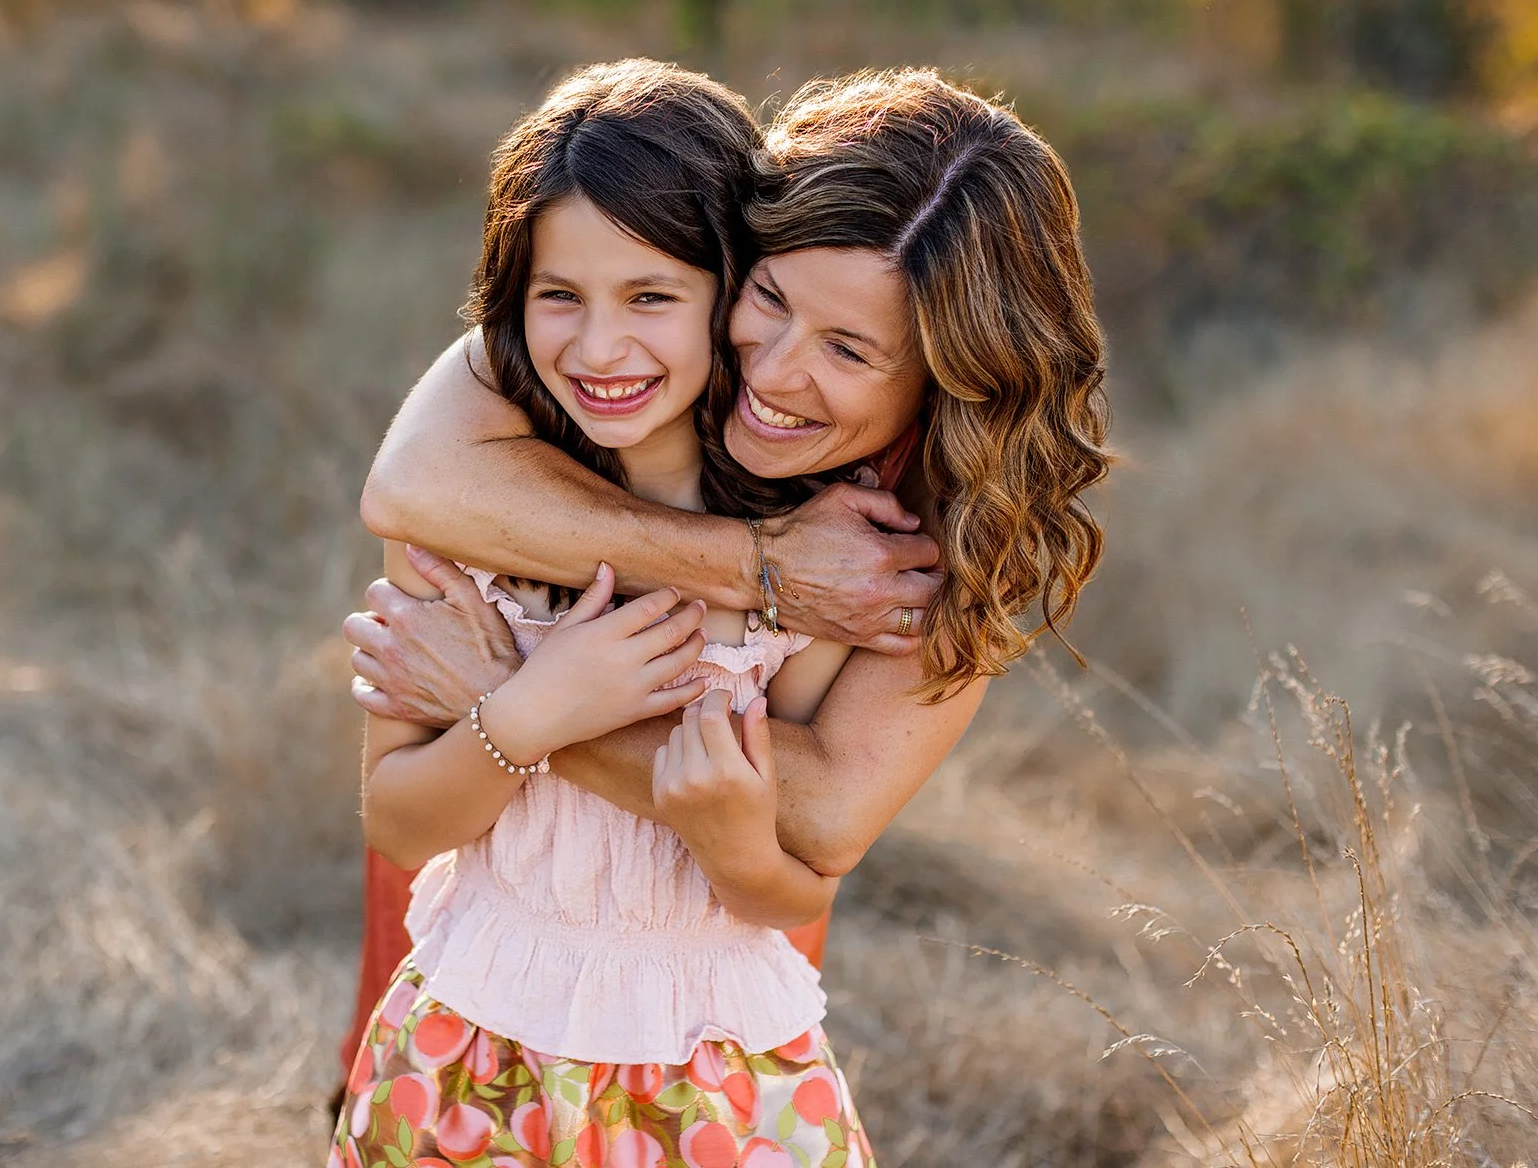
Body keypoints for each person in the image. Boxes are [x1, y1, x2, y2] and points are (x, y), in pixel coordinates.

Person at [347, 66, 1114, 1067]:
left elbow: (822, 824)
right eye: (767, 297)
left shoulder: (955, 516)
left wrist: (513, 692)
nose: (770, 368)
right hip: (478, 915)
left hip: (695, 981)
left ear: (953, 378)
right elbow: (407, 491)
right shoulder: (616, 341)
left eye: (846, 350)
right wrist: (755, 563)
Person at [335, 57, 877, 1166]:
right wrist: (527, 713)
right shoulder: (467, 520)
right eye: (557, 296)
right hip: (468, 1052)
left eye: (650, 296)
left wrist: (718, 827)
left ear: (733, 292)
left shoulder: (817, 563)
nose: (596, 349)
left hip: (719, 1070)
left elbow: (791, 885)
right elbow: (396, 819)